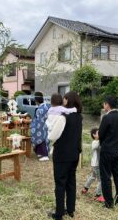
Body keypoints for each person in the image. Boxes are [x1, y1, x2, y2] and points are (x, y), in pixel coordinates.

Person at [49, 91, 83, 220]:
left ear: (68, 100)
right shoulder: (79, 117)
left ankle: (59, 214)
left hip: (62, 155)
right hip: (74, 154)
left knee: (60, 184)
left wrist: (49, 135)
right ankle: (70, 210)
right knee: (71, 183)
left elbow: (53, 136)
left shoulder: (63, 117)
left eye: (64, 99)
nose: (63, 101)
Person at [98, 95, 118, 208]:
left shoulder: (106, 118)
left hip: (107, 151)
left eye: (104, 103)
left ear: (107, 105)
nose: (103, 106)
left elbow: (101, 134)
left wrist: (99, 138)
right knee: (117, 174)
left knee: (105, 176)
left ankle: (108, 203)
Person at [81, 128, 105, 202]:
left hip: (95, 164)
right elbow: (96, 146)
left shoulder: (98, 141)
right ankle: (98, 195)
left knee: (93, 176)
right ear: (94, 135)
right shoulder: (95, 142)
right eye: (98, 133)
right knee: (101, 179)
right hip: (96, 165)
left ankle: (85, 188)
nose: (100, 134)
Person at [30, 91, 51, 161]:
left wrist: (32, 124)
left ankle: (45, 155)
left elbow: (38, 120)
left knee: (41, 139)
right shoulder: (47, 106)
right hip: (46, 125)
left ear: (36, 100)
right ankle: (40, 153)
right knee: (43, 139)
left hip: (41, 126)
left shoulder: (40, 108)